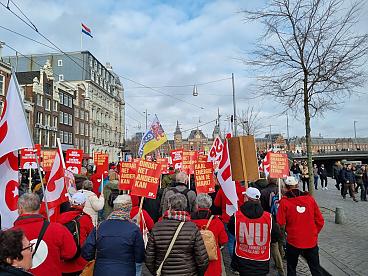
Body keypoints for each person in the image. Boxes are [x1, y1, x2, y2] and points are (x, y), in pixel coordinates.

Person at [13, 193, 77, 276]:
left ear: (20, 208)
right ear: (39, 207)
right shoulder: (57, 229)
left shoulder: (9, 235)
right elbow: (70, 253)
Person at [145, 193, 209, 276]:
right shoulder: (192, 228)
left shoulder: (157, 227)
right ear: (185, 207)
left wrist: (156, 271)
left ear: (170, 206)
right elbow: (202, 259)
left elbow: (149, 258)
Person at [82, 194, 145, 276]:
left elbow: (87, 252)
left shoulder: (99, 227)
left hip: (102, 270)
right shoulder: (134, 229)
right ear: (128, 209)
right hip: (126, 271)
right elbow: (140, 256)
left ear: (114, 208)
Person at [277, 176, 324, 276]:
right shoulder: (310, 199)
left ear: (285, 187)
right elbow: (320, 220)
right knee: (315, 268)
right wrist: (314, 232)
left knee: (291, 268)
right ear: (297, 185)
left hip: (293, 240)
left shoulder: (284, 202)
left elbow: (280, 222)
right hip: (311, 240)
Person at [228, 187, 281, 276]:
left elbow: (232, 230)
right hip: (261, 261)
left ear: (246, 198)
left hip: (242, 260)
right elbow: (276, 236)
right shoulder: (268, 217)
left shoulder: (237, 216)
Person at [191, 194, 228, 276]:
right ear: (210, 205)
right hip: (212, 260)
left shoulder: (190, 221)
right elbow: (224, 240)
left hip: (195, 260)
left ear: (197, 205)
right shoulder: (217, 221)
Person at [58, 192, 94, 276]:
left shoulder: (60, 217)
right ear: (84, 203)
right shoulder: (85, 219)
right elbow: (92, 237)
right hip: (80, 260)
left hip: (62, 260)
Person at [260, 178, 285, 276]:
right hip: (281, 220)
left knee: (273, 244)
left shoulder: (263, 192)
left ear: (268, 181)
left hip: (270, 221)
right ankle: (281, 257)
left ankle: (279, 266)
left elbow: (262, 209)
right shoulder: (281, 191)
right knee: (280, 241)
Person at [214, 181, 245, 261]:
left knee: (231, 241)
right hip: (240, 218)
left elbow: (216, 203)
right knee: (240, 242)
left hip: (227, 218)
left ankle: (234, 263)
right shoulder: (243, 189)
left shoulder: (223, 189)